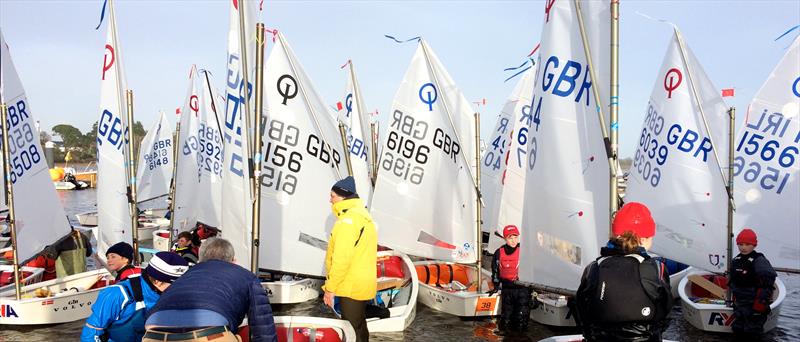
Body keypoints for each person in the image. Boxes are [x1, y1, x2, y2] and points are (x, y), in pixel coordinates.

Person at [143, 238, 277, 342]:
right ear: (233, 261)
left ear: (200, 260)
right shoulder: (246, 276)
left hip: (153, 333)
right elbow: (262, 327)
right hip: (210, 334)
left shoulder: (186, 275)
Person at [575, 202, 672, 342]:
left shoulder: (594, 268)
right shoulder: (656, 269)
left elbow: (581, 307)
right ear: (643, 239)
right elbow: (665, 308)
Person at [81, 252, 189, 342]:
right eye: (177, 285)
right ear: (158, 281)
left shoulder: (174, 298)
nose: (180, 289)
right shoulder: (116, 294)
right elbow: (92, 333)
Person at [323, 176, 377, 342]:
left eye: (332, 196)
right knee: (359, 324)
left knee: (351, 328)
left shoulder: (347, 222)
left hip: (350, 285)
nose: (330, 200)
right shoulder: (362, 216)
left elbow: (341, 259)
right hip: (362, 283)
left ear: (343, 196)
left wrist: (330, 289)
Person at [729, 228, 777, 341]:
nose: (743, 247)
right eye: (740, 244)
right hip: (740, 305)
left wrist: (759, 305)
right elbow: (734, 282)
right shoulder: (736, 260)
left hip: (754, 305)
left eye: (747, 244)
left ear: (754, 245)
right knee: (737, 329)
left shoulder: (759, 260)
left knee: (752, 332)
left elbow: (767, 284)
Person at [491, 225, 533, 333]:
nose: (513, 240)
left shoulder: (524, 251)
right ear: (505, 238)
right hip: (507, 290)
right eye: (510, 238)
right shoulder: (499, 252)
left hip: (522, 290)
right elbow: (495, 271)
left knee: (521, 319)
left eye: (515, 237)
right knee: (506, 319)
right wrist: (496, 286)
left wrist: (534, 290)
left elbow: (532, 269)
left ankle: (520, 337)